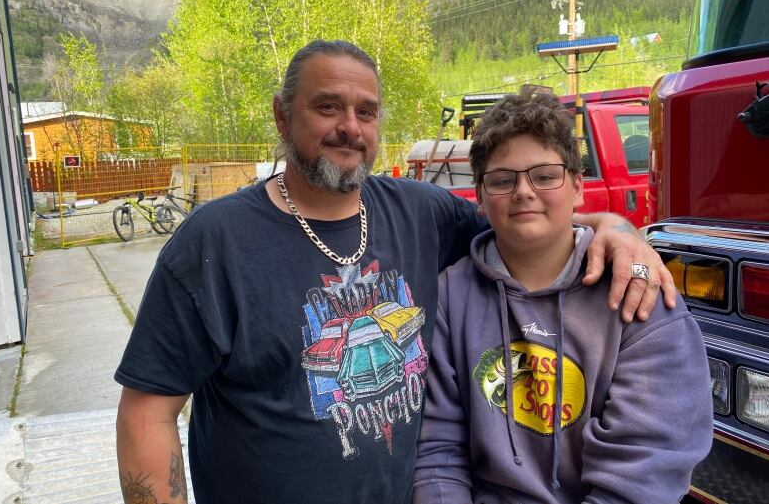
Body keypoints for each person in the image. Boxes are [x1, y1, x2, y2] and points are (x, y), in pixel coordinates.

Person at [115, 40, 676, 504]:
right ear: (282, 116)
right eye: (327, 107)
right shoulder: (216, 242)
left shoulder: (420, 212)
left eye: (366, 111)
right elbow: (148, 414)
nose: (349, 128)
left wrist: (618, 229)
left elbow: (526, 219)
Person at [413, 91, 712, 504]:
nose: (523, 191)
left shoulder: (637, 292)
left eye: (545, 175)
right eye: (502, 180)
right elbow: (437, 452)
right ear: (478, 197)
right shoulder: (450, 296)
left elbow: (643, 471)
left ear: (577, 186)